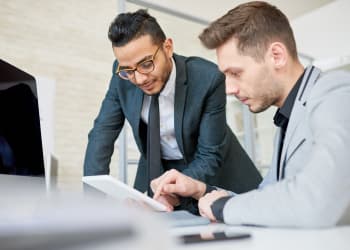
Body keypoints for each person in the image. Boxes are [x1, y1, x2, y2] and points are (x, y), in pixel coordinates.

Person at [152, 1, 350, 227]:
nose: (228, 89)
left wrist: (221, 207)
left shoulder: (336, 92)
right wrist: (201, 190)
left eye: (235, 73)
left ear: (276, 55)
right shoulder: (288, 120)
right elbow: (267, 201)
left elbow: (318, 200)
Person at [83, 9, 262, 214]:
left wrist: (174, 192)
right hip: (158, 166)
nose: (139, 79)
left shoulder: (208, 78)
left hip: (215, 169)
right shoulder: (121, 76)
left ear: (167, 47)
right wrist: (92, 206)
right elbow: (101, 135)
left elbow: (209, 154)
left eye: (146, 64)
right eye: (128, 70)